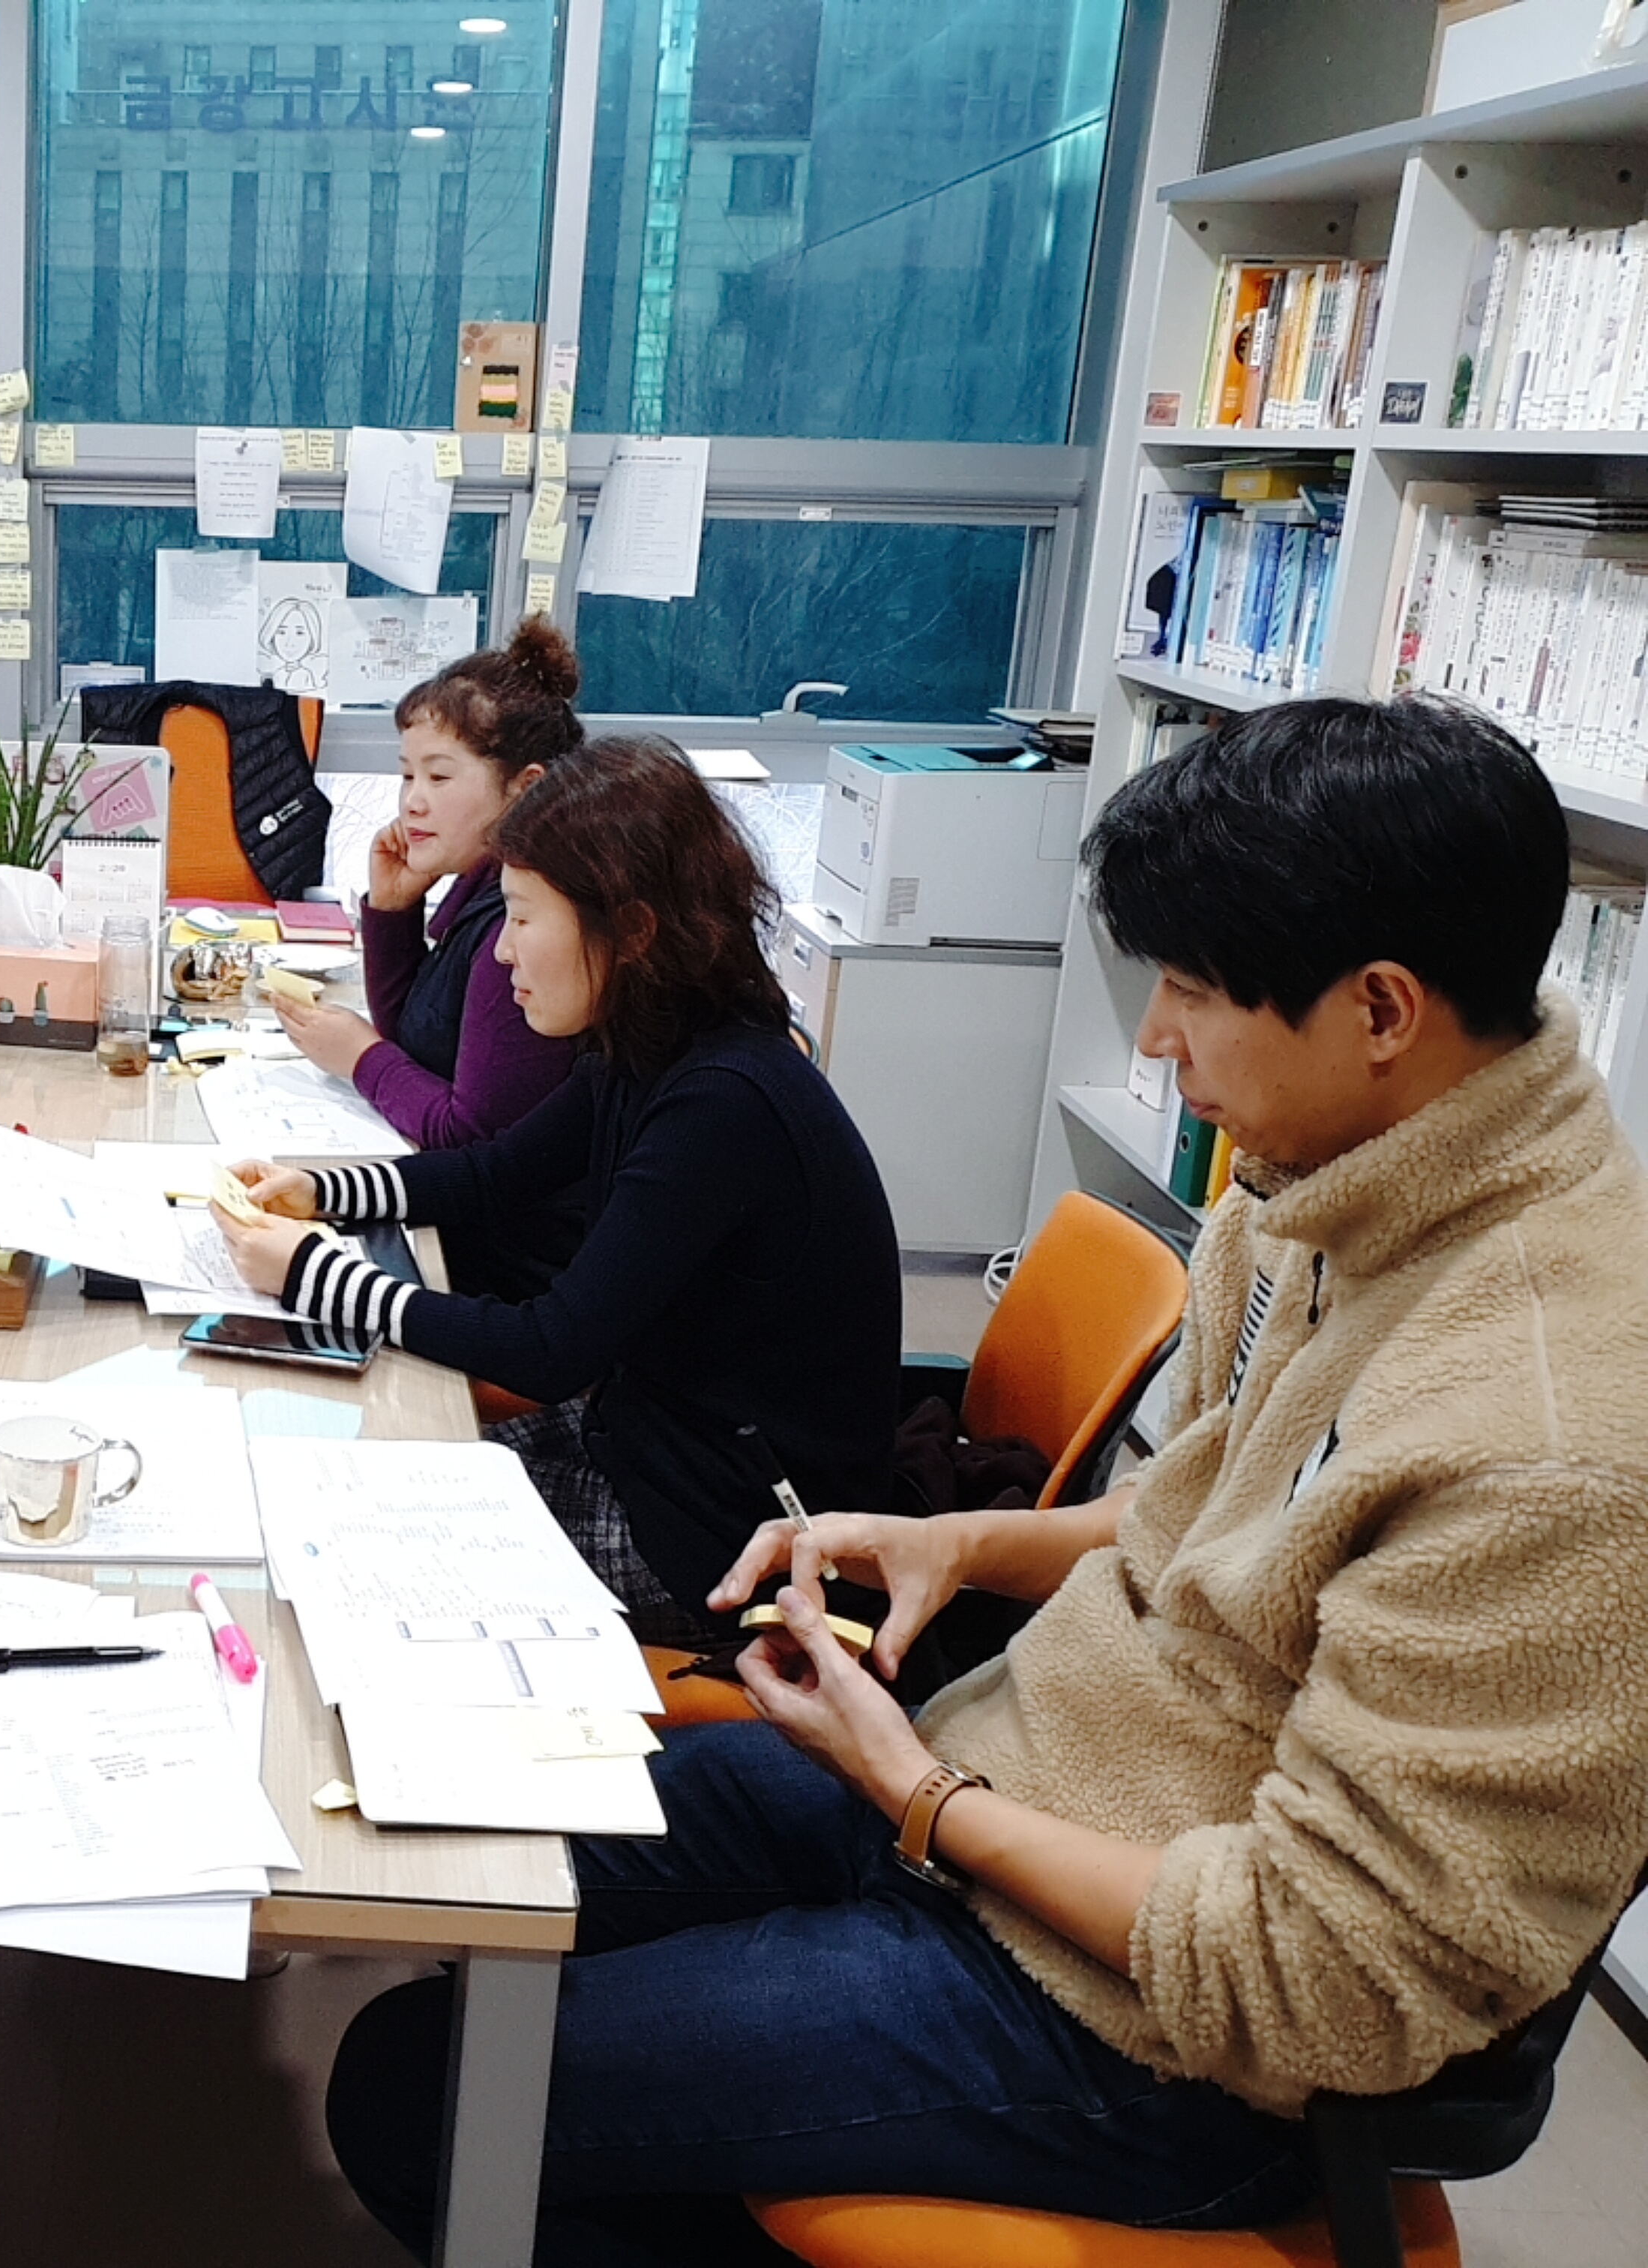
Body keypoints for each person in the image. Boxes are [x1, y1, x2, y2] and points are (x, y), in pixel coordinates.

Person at [319, 696, 1648, 2266]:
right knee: (466, 1860)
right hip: (1000, 1792)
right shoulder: (1331, 1188)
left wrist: (919, 1797)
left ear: (1378, 1010)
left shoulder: (1544, 1434)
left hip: (1138, 2030)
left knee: (422, 2093)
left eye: (1194, 991)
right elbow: (1227, 1523)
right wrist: (960, 1541)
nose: (1153, 1040)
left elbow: (1324, 1982)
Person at [218, 736, 903, 1643]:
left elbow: (551, 1349)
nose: (503, 953)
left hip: (719, 1539)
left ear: (633, 931)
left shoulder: (722, 1103)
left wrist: (313, 1275)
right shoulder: (651, 1038)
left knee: (348, 1560)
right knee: (330, 1486)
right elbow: (498, 1171)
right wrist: (323, 1190)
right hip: (638, 1450)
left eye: (522, 919)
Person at [272, 620, 586, 1295]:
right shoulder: (478, 891)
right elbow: (419, 1038)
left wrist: (361, 1058)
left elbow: (469, 1138)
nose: (412, 800)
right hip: (457, 1225)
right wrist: (393, 910)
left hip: (503, 1267)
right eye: (407, 774)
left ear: (524, 788)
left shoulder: (522, 931)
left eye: (440, 776)